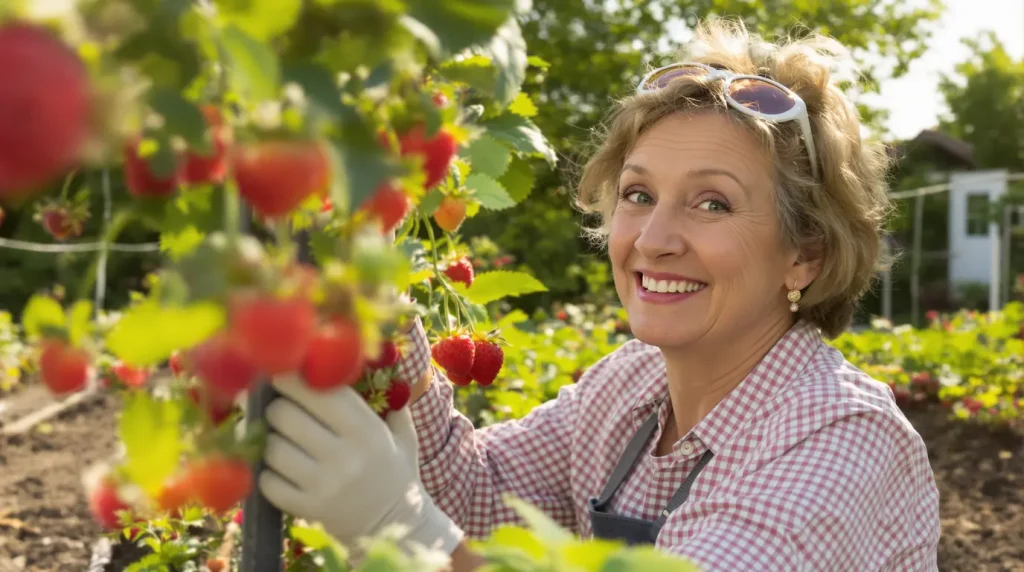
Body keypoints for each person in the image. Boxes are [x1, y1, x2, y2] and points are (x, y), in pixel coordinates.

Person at [256, 19, 940, 572]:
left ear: (806, 255)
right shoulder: (631, 391)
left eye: (712, 204)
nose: (654, 238)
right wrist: (365, 305)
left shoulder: (840, 444)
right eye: (639, 195)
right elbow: (482, 498)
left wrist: (401, 532)